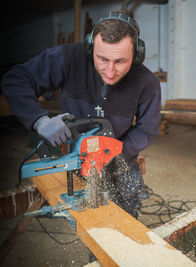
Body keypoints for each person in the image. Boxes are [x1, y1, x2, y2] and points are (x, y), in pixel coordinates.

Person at [1, 10, 161, 219]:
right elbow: (15, 79)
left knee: (126, 224)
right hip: (76, 161)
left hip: (121, 162)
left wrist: (114, 153)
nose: (110, 71)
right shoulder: (68, 58)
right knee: (88, 223)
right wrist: (39, 121)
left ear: (138, 53)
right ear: (90, 47)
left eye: (120, 61)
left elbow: (146, 129)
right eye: (102, 59)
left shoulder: (147, 82)